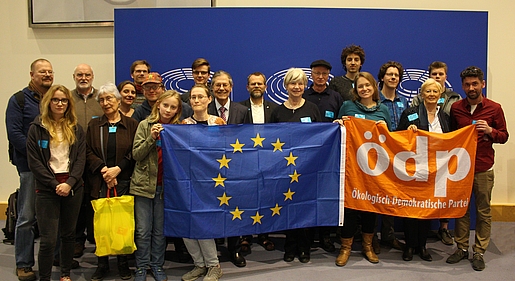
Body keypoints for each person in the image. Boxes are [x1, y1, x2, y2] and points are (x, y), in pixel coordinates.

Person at [446, 66, 508, 271]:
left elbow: (504, 136)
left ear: (483, 84)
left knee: (483, 211)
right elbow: (452, 136)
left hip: (483, 167)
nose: (471, 88)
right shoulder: (456, 108)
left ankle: (479, 251)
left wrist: (491, 131)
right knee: (461, 210)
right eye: (467, 84)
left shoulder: (495, 108)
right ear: (462, 86)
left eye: (475, 84)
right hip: (461, 168)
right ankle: (461, 248)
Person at [26, 84, 86, 281]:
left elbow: (80, 159)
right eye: (56, 100)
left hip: (72, 186)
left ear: (69, 103)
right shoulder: (37, 128)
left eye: (64, 100)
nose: (60, 104)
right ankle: (44, 277)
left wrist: (69, 182)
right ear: (48, 102)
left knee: (68, 235)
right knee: (48, 240)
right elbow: (34, 162)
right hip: (47, 189)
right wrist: (54, 184)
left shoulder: (76, 128)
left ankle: (65, 274)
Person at [333, 72, 391, 267]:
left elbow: (390, 141)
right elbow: (338, 133)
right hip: (351, 167)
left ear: (374, 87)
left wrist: (384, 129)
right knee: (350, 209)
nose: (364, 89)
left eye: (367, 85)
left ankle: (367, 246)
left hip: (375, 169)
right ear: (355, 90)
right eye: (360, 86)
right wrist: (339, 124)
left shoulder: (383, 109)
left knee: (370, 208)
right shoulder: (348, 107)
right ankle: (345, 248)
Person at [6, 58, 54, 281]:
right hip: (29, 168)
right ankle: (24, 264)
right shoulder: (18, 100)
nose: (47, 75)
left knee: (54, 216)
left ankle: (55, 257)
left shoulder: (56, 98)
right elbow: (15, 135)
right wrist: (38, 158)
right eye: (42, 71)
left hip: (55, 168)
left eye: (50, 71)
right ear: (32, 74)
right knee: (27, 217)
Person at [86, 83, 139, 281]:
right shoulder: (94, 125)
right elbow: (87, 151)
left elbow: (135, 151)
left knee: (122, 225)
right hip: (100, 181)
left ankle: (123, 263)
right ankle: (102, 264)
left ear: (118, 101)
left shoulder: (132, 124)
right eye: (102, 100)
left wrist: (118, 170)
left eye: (109, 98)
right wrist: (104, 170)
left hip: (124, 180)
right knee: (102, 225)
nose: (106, 103)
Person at [270, 68, 321, 263]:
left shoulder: (312, 109)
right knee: (288, 208)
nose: (297, 87)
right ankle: (290, 247)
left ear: (304, 85)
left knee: (305, 208)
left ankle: (304, 248)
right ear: (286, 86)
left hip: (307, 168)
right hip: (284, 169)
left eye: (300, 83)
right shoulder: (278, 111)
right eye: (292, 83)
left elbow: (322, 136)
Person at [131, 90, 183, 281]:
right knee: (143, 230)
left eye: (173, 107)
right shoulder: (145, 125)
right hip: (144, 185)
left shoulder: (179, 129)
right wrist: (151, 138)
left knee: (160, 231)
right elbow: (136, 154)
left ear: (178, 110)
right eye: (165, 105)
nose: (168, 110)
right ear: (158, 105)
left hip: (166, 188)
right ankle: (142, 266)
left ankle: (157, 265)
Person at [396, 78, 449, 262]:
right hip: (413, 168)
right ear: (422, 94)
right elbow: (398, 136)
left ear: (440, 94)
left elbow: (451, 139)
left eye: (435, 91)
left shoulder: (444, 117)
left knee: (427, 209)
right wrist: (407, 130)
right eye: (428, 91)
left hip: (435, 170)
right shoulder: (411, 113)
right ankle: (410, 246)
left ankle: (422, 246)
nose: (432, 95)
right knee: (411, 209)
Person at [411, 61, 462, 246]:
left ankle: (444, 229)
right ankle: (414, 241)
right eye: (434, 74)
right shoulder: (415, 105)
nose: (437, 77)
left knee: (443, 194)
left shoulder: (454, 99)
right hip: (419, 159)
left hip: (442, 158)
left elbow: (456, 126)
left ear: (445, 78)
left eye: (441, 74)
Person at [181, 84, 224, 281]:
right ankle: (199, 264)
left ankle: (213, 264)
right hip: (189, 180)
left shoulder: (218, 122)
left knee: (203, 222)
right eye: (193, 97)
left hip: (212, 180)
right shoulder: (183, 125)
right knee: (187, 221)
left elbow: (227, 150)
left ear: (209, 99)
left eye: (200, 97)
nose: (196, 100)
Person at [207, 70, 250, 267]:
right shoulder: (204, 108)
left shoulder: (241, 110)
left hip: (235, 169)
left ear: (231, 88)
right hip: (209, 168)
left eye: (225, 85)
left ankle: (234, 249)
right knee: (213, 207)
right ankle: (213, 250)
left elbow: (249, 140)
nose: (222, 88)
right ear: (212, 88)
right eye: (218, 85)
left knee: (235, 209)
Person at [238, 72, 277, 253]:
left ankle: (264, 235)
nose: (256, 86)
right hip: (245, 160)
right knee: (246, 197)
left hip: (268, 160)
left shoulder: (274, 108)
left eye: (260, 84)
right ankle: (245, 236)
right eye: (253, 83)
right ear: (247, 87)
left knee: (266, 197)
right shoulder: (239, 108)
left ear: (265, 87)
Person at [375, 61, 409, 253]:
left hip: (399, 155)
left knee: (392, 196)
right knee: (374, 193)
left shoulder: (404, 101)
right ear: (382, 78)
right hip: (378, 154)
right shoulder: (375, 100)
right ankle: (372, 237)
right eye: (389, 74)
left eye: (396, 75)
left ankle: (388, 235)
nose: (393, 78)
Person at [71, 63, 103, 259]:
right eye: (80, 75)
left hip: (94, 161)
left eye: (87, 74)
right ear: (74, 77)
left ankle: (97, 239)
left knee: (94, 201)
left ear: (93, 76)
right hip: (72, 161)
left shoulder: (101, 98)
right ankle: (76, 240)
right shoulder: (67, 98)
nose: (84, 77)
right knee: (75, 203)